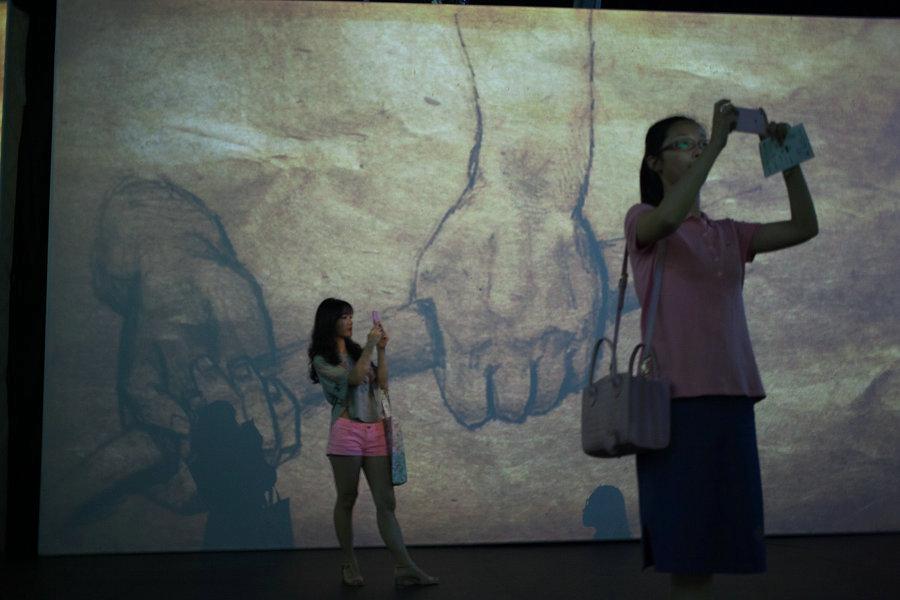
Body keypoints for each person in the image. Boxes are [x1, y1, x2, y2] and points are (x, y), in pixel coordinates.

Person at [625, 99, 818, 599]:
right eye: (685, 144)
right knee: (689, 553)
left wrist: (788, 160)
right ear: (655, 162)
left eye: (700, 142)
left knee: (715, 547)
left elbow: (804, 226)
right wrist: (716, 144)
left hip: (733, 399)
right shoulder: (644, 221)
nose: (696, 149)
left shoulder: (729, 233)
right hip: (675, 405)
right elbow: (669, 217)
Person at [307, 298, 438, 587]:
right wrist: (369, 346)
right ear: (330, 321)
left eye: (351, 316)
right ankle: (349, 563)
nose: (350, 322)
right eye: (344, 317)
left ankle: (405, 567)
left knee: (386, 502)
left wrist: (381, 349)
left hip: (375, 429)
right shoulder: (322, 359)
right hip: (346, 431)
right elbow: (354, 379)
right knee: (347, 498)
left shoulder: (359, 352)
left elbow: (382, 384)